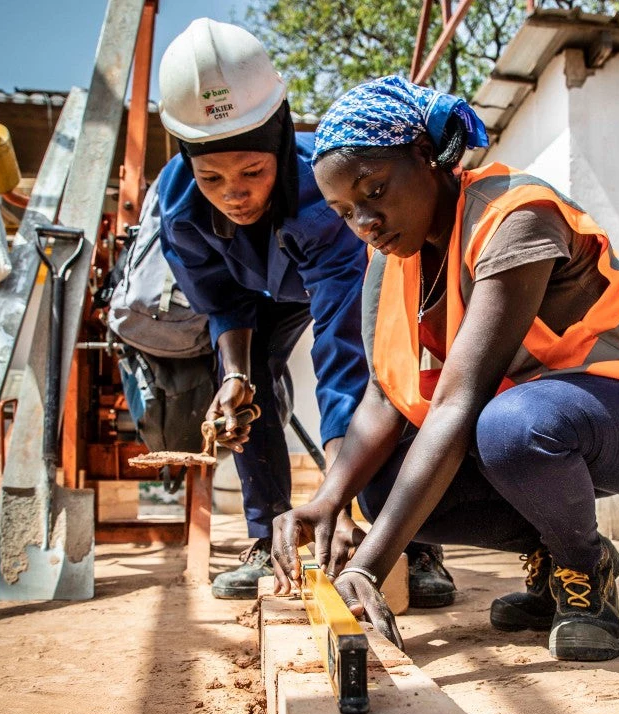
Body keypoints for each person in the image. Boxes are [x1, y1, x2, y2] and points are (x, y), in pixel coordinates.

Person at [270, 76, 619, 662]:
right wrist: (328, 498)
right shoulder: (391, 260)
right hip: (544, 425)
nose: (366, 222)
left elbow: (459, 399)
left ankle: (584, 573)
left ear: (426, 157)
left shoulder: (514, 215)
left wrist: (368, 568)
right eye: (345, 211)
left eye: (375, 190)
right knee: (380, 490)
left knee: (507, 426)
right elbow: (386, 396)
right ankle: (551, 557)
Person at [155, 20, 456, 604]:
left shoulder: (327, 196)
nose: (233, 193)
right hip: (261, 300)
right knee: (244, 382)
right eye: (211, 177)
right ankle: (271, 538)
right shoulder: (180, 210)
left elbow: (342, 348)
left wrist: (334, 494)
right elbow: (223, 304)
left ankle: (416, 545)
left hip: (339, 287)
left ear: (277, 143)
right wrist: (238, 376)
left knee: (393, 372)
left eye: (252, 172)